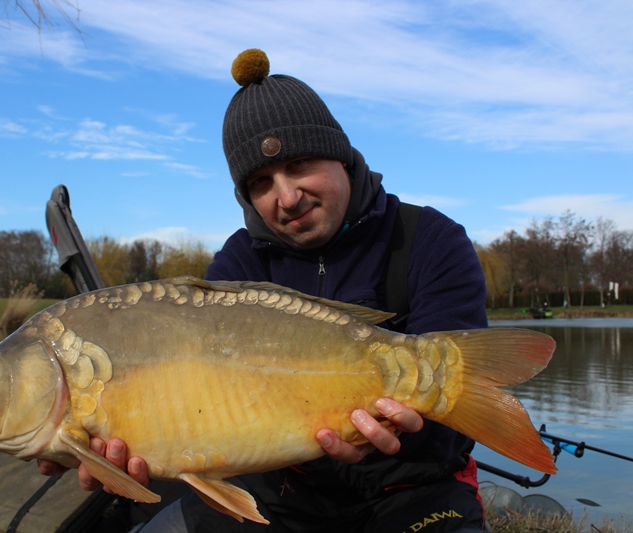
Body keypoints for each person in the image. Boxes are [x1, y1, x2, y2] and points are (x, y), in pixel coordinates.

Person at [38, 48, 489, 532]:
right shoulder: (238, 264)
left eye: (299, 165)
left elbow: (453, 427)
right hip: (285, 492)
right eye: (261, 182)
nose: (287, 196)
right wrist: (138, 441)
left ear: (341, 155)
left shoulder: (428, 239)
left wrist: (402, 433)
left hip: (414, 489)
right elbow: (201, 406)